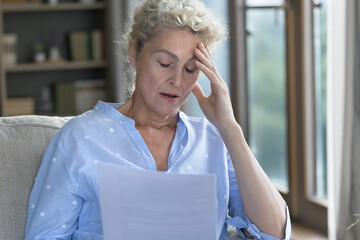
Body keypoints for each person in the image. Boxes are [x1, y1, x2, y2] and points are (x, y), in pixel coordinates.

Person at [25, 0, 291, 239]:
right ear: (134, 53)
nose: (177, 80)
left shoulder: (214, 141)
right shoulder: (80, 138)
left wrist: (230, 129)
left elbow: (275, 233)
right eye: (165, 63)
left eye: (190, 69)